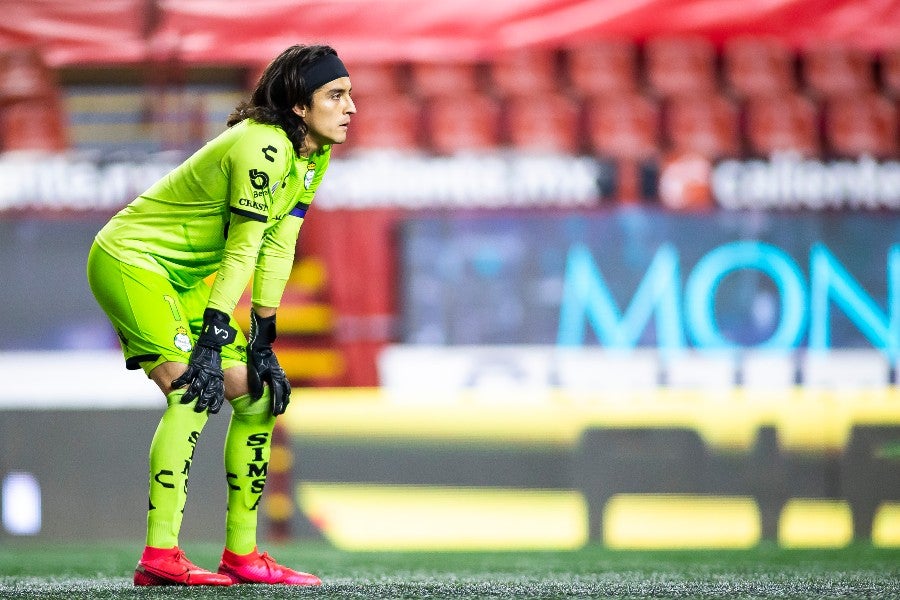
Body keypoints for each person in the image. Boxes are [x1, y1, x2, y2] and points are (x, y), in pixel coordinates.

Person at [86, 44, 354, 587]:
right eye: (336, 95)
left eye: (351, 94)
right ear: (300, 106)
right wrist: (211, 338)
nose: (351, 107)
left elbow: (280, 242)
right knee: (193, 389)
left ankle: (244, 555)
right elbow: (242, 248)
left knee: (256, 395)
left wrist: (264, 334)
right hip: (132, 261)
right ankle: (160, 555)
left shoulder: (311, 156)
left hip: (185, 279)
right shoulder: (264, 148)